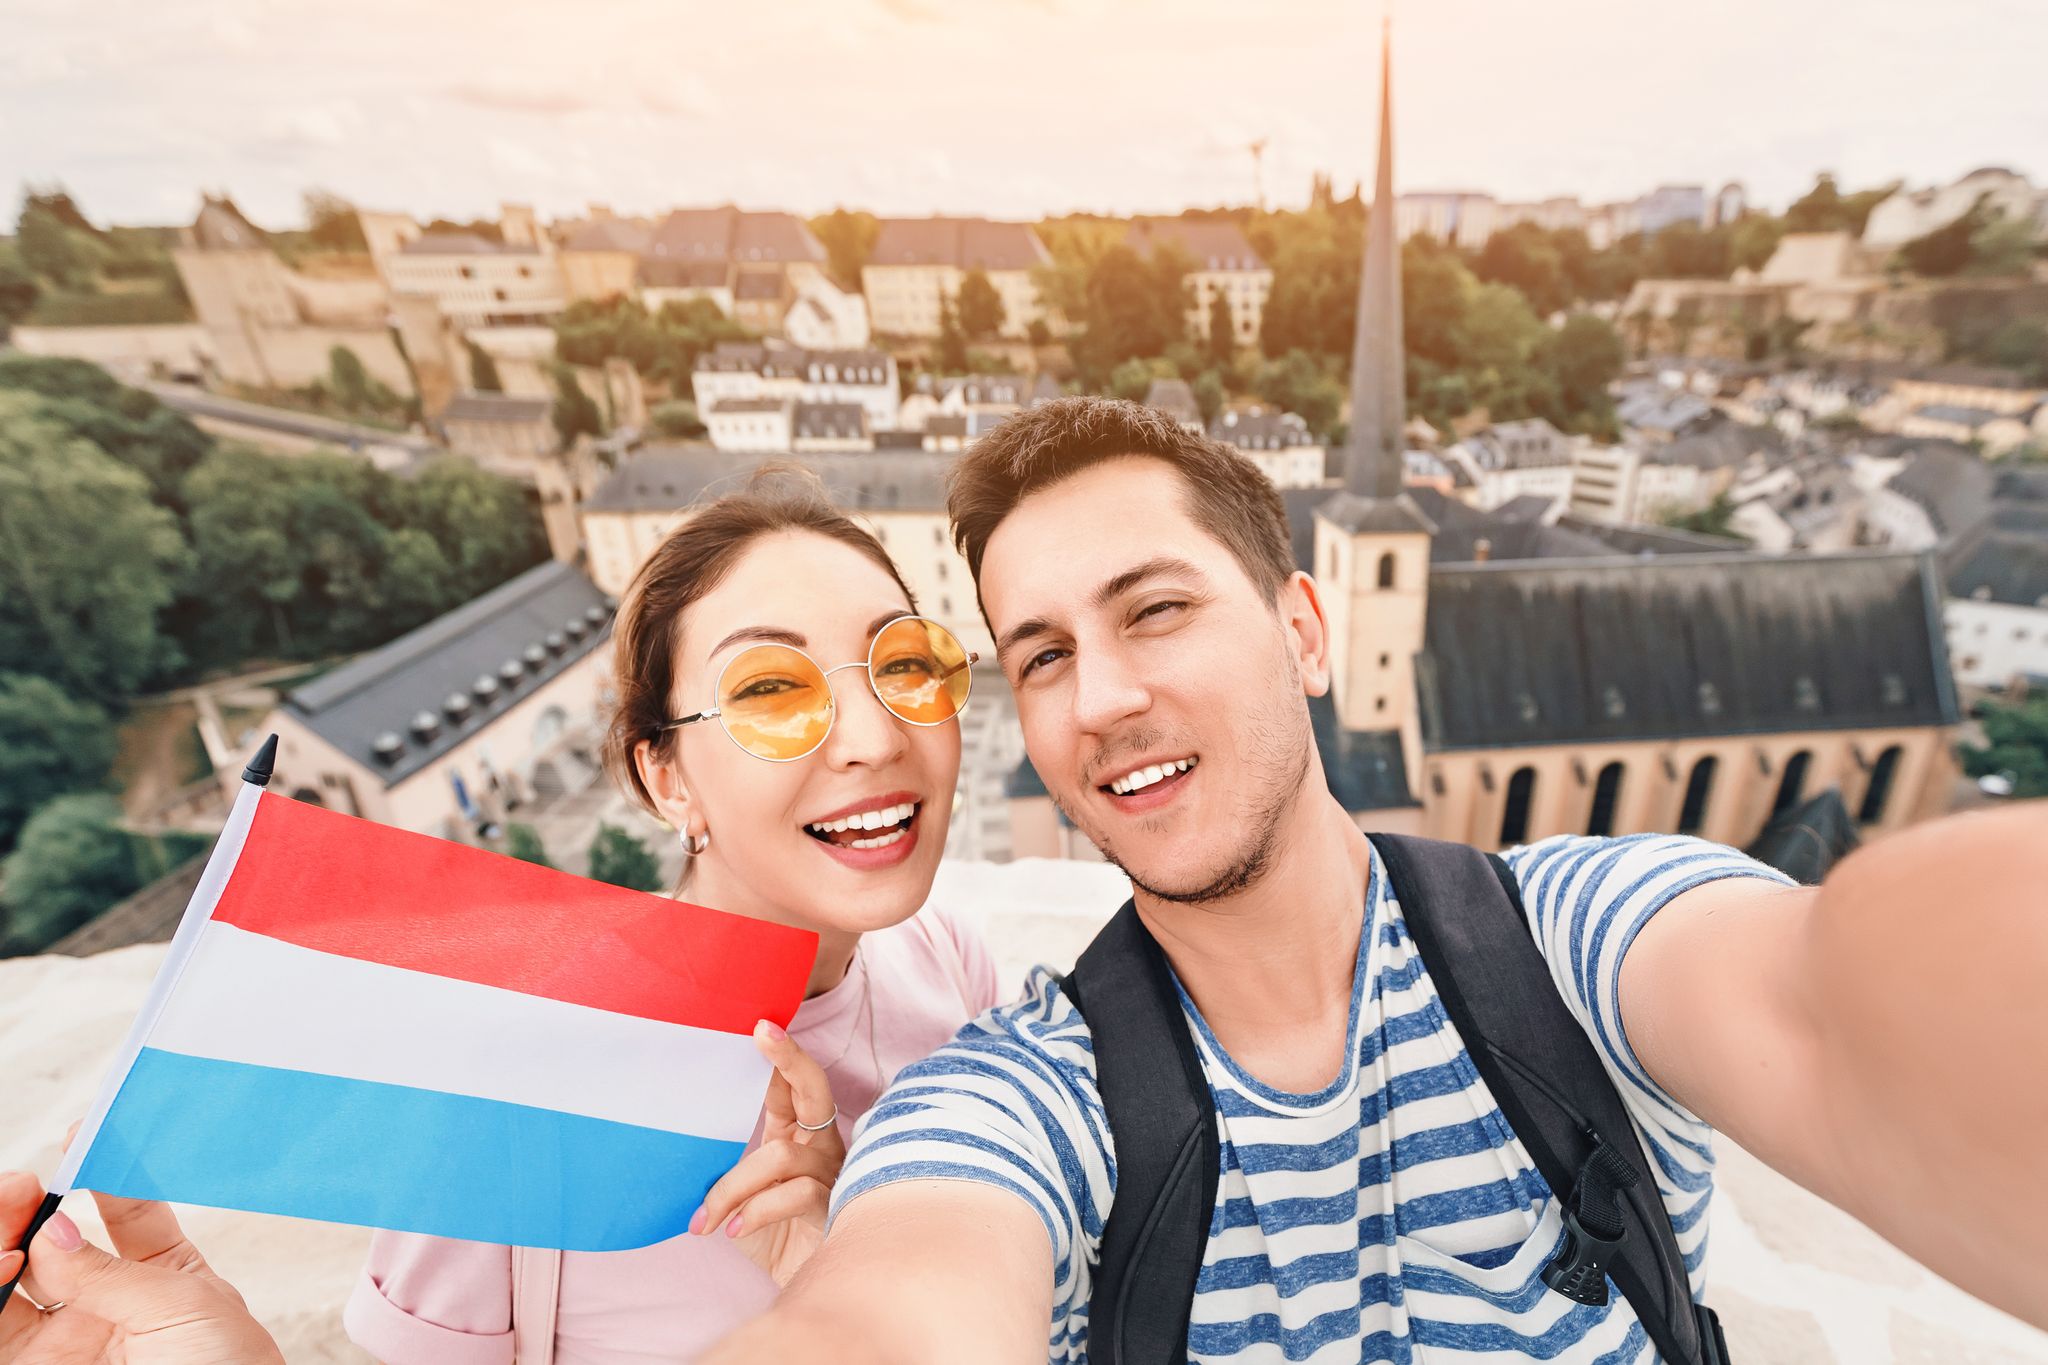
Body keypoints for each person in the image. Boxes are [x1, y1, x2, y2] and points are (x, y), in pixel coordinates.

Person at [9, 399, 2048, 1363]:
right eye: (1042, 648)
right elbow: (913, 1299)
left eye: (1152, 608)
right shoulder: (1016, 1078)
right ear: (658, 766)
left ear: (1313, 625)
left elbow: (1829, 983)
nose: (1094, 695)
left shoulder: (1567, 934)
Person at [1, 469, 1006, 1364]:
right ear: (663, 775)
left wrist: (836, 1283)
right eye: (769, 691)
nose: (875, 735)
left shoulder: (951, 970)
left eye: (905, 665)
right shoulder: (509, 1085)